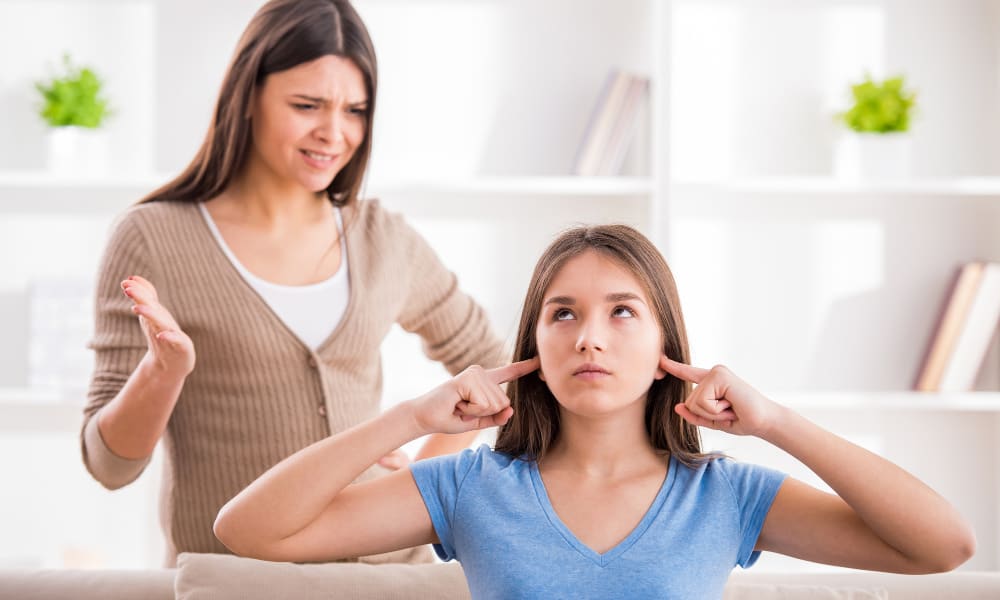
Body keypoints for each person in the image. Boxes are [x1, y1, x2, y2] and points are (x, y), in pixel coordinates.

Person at [213, 224, 975, 599]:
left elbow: (943, 545)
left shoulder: (726, 497)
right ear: (536, 344)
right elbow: (248, 531)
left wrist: (776, 422)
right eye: (564, 315)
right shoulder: (472, 486)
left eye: (622, 314)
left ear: (665, 345)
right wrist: (412, 418)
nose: (590, 339)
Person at [81, 0, 505, 566]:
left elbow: (492, 366)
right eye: (307, 105)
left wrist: (424, 481)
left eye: (355, 110)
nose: (334, 133)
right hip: (235, 582)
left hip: (383, 581)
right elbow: (111, 467)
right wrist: (163, 371)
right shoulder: (154, 238)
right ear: (248, 95)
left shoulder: (382, 236)